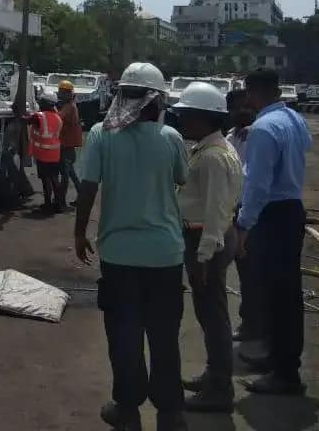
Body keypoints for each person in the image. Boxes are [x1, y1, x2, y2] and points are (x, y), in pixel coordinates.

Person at [73, 62, 189, 431]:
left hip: (119, 257)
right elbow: (182, 178)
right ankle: (171, 414)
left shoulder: (100, 135)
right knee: (164, 336)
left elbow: (88, 187)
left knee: (123, 336)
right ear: (156, 100)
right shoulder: (170, 138)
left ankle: (127, 410)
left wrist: (79, 232)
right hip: (166, 256)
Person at [236, 67, 312, 396]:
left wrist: (244, 224)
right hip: (292, 208)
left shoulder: (264, 129)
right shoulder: (293, 119)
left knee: (279, 296)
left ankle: (285, 372)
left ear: (254, 93)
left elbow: (257, 186)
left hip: (272, 215)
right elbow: (303, 147)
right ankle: (277, 357)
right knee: (281, 293)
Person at [173, 82, 243, 413]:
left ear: (204, 118)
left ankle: (219, 389)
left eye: (187, 115)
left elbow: (216, 210)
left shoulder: (213, 156)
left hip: (207, 240)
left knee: (213, 316)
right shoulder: (214, 148)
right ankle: (215, 376)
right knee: (210, 313)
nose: (182, 121)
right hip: (210, 237)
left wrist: (203, 255)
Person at [225, 89, 262, 343]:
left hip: (255, 212)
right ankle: (250, 321)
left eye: (247, 107)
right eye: (237, 108)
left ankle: (256, 325)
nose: (243, 112)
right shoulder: (230, 138)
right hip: (234, 209)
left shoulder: (259, 137)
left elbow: (256, 182)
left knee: (255, 270)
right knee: (244, 269)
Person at [27, 94, 65, 213]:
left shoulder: (40, 116)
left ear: (45, 103)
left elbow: (26, 120)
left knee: (46, 180)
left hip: (43, 153)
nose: (39, 103)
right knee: (54, 178)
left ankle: (48, 204)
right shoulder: (58, 117)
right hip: (55, 153)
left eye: (41, 101)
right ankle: (59, 204)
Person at [57, 79, 84, 200]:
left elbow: (58, 119)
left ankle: (61, 200)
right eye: (59, 92)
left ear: (68, 93)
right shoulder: (71, 105)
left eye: (62, 92)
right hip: (68, 144)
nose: (60, 94)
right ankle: (81, 197)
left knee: (65, 174)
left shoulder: (69, 107)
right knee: (71, 173)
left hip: (67, 145)